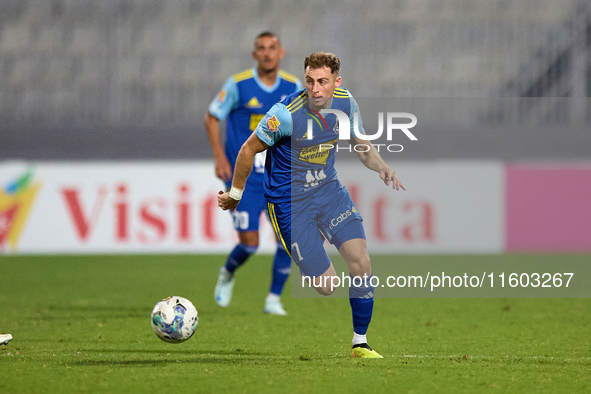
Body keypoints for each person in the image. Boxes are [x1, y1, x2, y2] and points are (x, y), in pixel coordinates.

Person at [217, 52, 405, 358]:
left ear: (336, 82)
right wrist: (236, 195)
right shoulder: (285, 114)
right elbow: (248, 149)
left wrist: (382, 166)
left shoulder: (345, 103)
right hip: (290, 202)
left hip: (328, 191)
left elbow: (360, 144)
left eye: (322, 82)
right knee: (327, 285)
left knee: (361, 261)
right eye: (309, 81)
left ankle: (360, 342)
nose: (315, 89)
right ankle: (307, 242)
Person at [206, 32, 303, 315]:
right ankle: (228, 271)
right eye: (261, 48)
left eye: (272, 48)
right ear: (254, 54)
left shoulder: (293, 86)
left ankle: (273, 299)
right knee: (250, 243)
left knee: (289, 238)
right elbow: (212, 116)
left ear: (281, 53)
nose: (267, 53)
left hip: (279, 175)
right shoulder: (238, 85)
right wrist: (219, 157)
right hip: (244, 177)